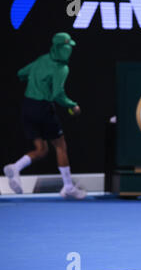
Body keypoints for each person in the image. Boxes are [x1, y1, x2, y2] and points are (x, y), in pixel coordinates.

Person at [3, 32, 86, 199]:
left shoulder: (42, 60)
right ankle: (68, 187)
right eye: (66, 47)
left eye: (70, 48)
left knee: (41, 149)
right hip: (43, 108)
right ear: (57, 48)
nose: (69, 50)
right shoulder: (62, 68)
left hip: (28, 106)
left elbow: (21, 73)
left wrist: (36, 81)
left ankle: (16, 167)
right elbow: (58, 94)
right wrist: (73, 105)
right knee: (60, 146)